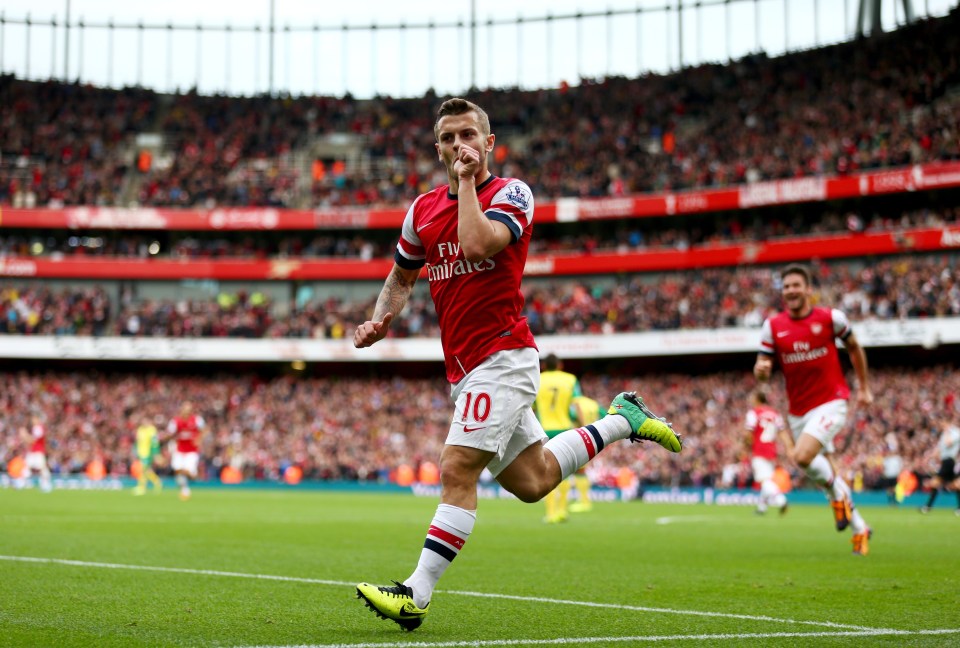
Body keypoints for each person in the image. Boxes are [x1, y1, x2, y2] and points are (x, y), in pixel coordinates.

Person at [353, 97, 682, 632]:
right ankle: (624, 419)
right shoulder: (420, 209)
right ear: (436, 148)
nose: (457, 146)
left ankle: (416, 592)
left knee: (457, 468)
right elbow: (401, 276)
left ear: (488, 143)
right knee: (533, 482)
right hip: (464, 368)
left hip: (503, 356)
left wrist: (463, 186)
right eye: (447, 139)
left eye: (467, 135)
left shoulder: (512, 193)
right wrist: (381, 319)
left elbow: (479, 240)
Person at [754, 263, 873, 556]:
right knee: (822, 467)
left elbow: (855, 347)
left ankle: (837, 499)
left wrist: (864, 387)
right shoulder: (773, 326)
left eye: (796, 285)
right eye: (786, 287)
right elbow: (763, 371)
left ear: (808, 289)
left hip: (832, 401)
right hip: (798, 410)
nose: (791, 290)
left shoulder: (831, 318)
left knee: (802, 455)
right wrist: (760, 371)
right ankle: (860, 528)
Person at [533, 353, 582, 523]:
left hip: (544, 430)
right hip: (564, 429)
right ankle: (562, 510)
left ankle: (551, 513)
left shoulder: (537, 379)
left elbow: (531, 407)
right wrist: (582, 425)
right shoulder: (570, 379)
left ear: (544, 366)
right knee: (564, 472)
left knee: (546, 470)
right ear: (560, 365)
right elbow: (576, 405)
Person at [744, 388, 789, 516]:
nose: (750, 400)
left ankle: (781, 500)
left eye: (752, 398)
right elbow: (782, 431)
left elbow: (748, 433)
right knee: (766, 479)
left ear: (757, 399)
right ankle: (761, 508)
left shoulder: (754, 413)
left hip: (759, 449)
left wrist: (745, 447)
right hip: (771, 450)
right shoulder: (775, 413)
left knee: (764, 481)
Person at [919, 411, 960, 514]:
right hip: (946, 461)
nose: (940, 425)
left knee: (935, 483)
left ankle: (927, 507)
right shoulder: (945, 433)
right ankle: (959, 509)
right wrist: (928, 458)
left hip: (949, 461)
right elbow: (939, 449)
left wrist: (946, 432)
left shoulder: (956, 432)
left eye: (941, 423)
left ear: (946, 422)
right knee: (956, 485)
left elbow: (948, 443)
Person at [568, 394, 603, 513]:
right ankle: (583, 500)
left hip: (578, 436)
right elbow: (605, 415)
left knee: (579, 471)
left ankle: (584, 501)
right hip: (591, 437)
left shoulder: (574, 402)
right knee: (581, 471)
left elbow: (573, 416)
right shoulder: (594, 404)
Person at [164, 401, 205, 501]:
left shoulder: (197, 420)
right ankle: (185, 489)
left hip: (192, 451)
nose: (187, 412)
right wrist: (165, 437)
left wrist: (199, 439)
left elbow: (205, 429)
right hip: (180, 450)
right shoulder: (175, 421)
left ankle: (195, 475)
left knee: (188, 472)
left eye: (189, 410)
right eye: (185, 409)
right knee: (178, 470)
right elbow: (169, 433)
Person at [19, 414, 52, 493]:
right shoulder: (36, 428)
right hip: (34, 451)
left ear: (37, 419)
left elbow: (32, 440)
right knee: (27, 467)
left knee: (41, 468)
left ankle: (46, 485)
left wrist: (24, 435)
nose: (32, 421)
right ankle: (22, 483)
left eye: (34, 419)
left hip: (38, 451)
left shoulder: (39, 428)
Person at [133, 414, 163, 495]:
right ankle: (157, 482)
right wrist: (135, 451)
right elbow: (137, 442)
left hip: (148, 453)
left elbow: (155, 443)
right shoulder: (140, 429)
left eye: (146, 421)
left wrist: (156, 453)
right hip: (141, 453)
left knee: (143, 470)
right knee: (146, 470)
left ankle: (141, 487)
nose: (144, 422)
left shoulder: (152, 430)